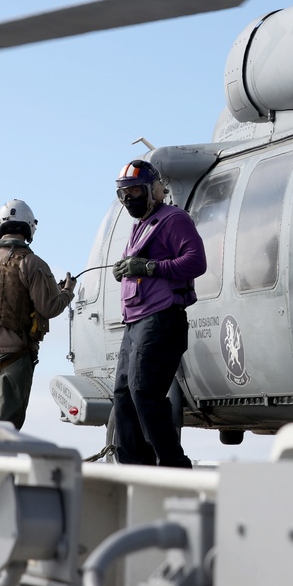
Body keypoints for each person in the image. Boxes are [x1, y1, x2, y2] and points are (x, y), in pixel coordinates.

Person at [111, 160, 207, 468]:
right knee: (123, 396)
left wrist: (150, 267)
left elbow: (196, 262)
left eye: (135, 191)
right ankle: (135, 466)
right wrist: (126, 270)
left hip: (161, 318)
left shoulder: (173, 219)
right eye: (123, 194)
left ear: (154, 189)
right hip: (136, 321)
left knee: (144, 392)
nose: (129, 200)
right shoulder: (141, 227)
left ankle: (173, 465)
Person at [0, 199, 76, 430]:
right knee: (5, 434)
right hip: (17, 356)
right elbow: (49, 307)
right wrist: (67, 292)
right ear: (29, 228)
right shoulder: (33, 263)